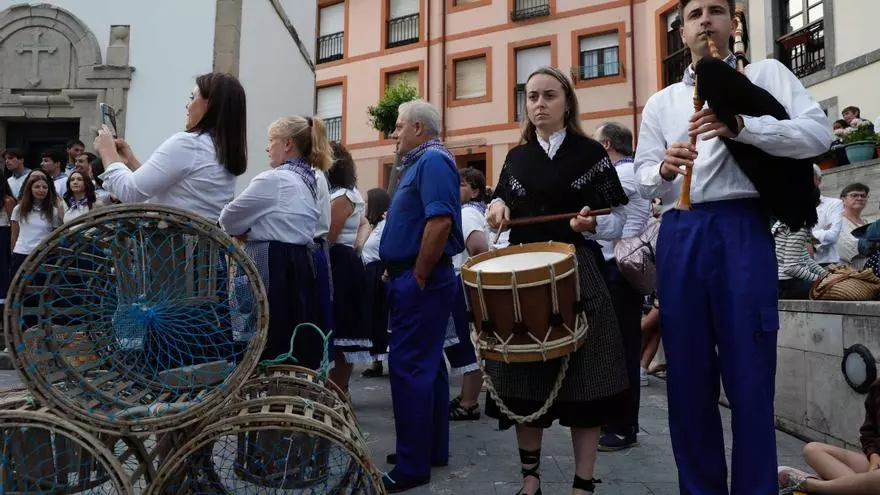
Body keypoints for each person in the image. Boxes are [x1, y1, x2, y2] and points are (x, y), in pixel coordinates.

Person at [632, 1, 834, 493]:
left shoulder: (767, 74)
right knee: (688, 383)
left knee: (750, 380)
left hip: (742, 226)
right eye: (695, 13)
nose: (705, 20)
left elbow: (818, 134)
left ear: (732, 23)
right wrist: (663, 169)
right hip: (681, 232)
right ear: (682, 32)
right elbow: (641, 178)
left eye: (716, 10)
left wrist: (745, 126)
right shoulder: (661, 103)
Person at [485, 66, 630, 495]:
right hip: (524, 272)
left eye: (549, 96)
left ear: (567, 102)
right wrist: (496, 206)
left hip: (577, 272)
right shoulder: (516, 158)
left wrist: (591, 226)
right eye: (532, 97)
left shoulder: (590, 154)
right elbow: (501, 202)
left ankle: (582, 484)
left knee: (587, 383)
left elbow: (619, 218)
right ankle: (531, 481)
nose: (539, 104)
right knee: (524, 382)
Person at [378, 100, 463, 492]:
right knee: (426, 367)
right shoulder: (425, 161)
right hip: (415, 275)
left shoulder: (432, 161)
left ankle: (413, 464)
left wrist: (418, 274)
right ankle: (428, 449)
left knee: (409, 367)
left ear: (417, 127)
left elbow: (440, 220)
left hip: (422, 280)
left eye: (398, 126)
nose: (394, 133)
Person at [219, 115, 330, 366]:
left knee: (267, 336)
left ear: (288, 144)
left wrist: (243, 229)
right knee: (293, 336)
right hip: (301, 262)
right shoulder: (308, 180)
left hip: (273, 261)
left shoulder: (275, 179)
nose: (268, 147)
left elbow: (228, 218)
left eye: (271, 141)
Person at [94, 72, 248, 223]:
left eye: (192, 97)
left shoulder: (189, 144)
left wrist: (107, 151)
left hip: (170, 243)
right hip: (201, 245)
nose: (187, 105)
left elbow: (130, 192)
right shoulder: (220, 148)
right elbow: (180, 191)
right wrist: (131, 162)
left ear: (209, 104)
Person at [592, 122, 651, 452]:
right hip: (616, 268)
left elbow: (595, 210)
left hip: (618, 269)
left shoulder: (623, 174)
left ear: (606, 145)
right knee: (615, 347)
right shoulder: (625, 172)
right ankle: (616, 419)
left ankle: (623, 425)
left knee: (620, 348)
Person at [779, 377, 880, 494]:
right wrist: (874, 456)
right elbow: (868, 432)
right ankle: (851, 487)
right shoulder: (877, 387)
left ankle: (814, 485)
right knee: (812, 450)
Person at [326, 141, 371, 393]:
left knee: (341, 332)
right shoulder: (348, 193)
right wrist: (357, 243)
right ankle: (337, 390)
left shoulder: (343, 195)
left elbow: (327, 236)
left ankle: (337, 390)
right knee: (340, 333)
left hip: (339, 264)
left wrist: (354, 246)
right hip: (343, 260)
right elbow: (364, 223)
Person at [446, 167, 489, 422]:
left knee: (465, 341)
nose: (457, 188)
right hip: (463, 280)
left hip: (461, 280)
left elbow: (478, 248)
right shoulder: (469, 211)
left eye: (463, 185)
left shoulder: (468, 213)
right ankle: (466, 396)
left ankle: (469, 402)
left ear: (475, 191)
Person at [361, 188, 392, 378]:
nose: (364, 206)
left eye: (366, 203)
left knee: (381, 316)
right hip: (370, 273)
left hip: (380, 273)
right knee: (374, 318)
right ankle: (376, 359)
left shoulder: (386, 224)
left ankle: (380, 357)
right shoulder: (375, 225)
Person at [812, 165, 844, 266]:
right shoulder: (788, 207)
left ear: (819, 179)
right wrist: (820, 234)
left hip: (826, 264)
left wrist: (803, 239)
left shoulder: (834, 204)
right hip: (795, 268)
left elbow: (832, 236)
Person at [836, 183, 872, 269]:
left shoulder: (869, 222)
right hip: (850, 275)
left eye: (863, 196)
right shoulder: (837, 222)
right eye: (854, 195)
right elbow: (850, 249)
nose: (860, 198)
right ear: (843, 199)